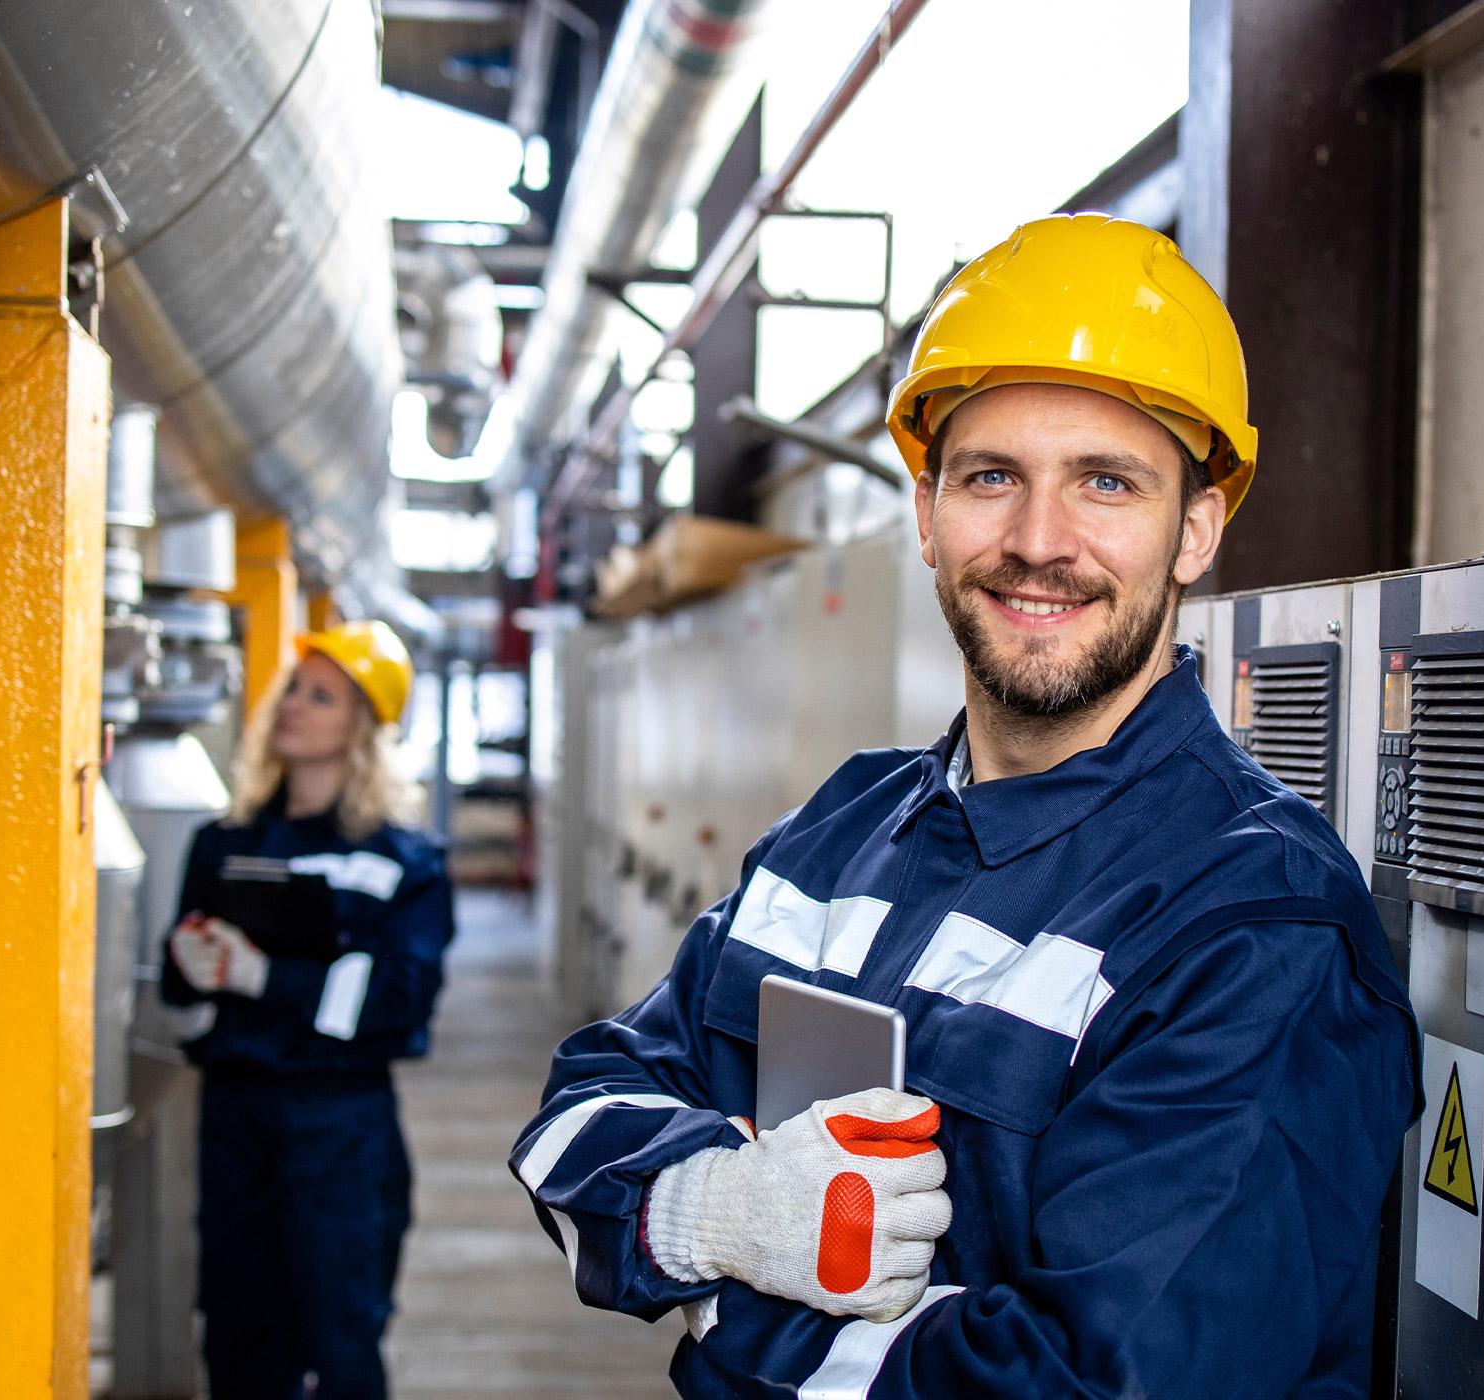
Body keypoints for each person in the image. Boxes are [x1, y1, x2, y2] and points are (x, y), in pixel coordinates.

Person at [510, 213, 1419, 1396]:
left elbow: (1095, 1380)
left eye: (1106, 482)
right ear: (928, 514)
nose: (1040, 542)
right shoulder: (839, 833)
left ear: (1194, 528)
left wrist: (725, 1323)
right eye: (993, 477)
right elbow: (572, 1118)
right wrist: (716, 1213)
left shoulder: (1253, 922)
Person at [162, 620, 454, 1400]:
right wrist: (189, 972)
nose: (292, 705)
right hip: (235, 1119)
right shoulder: (220, 845)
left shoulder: (404, 861)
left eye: (320, 696)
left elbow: (400, 1004)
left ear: (361, 727)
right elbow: (181, 1011)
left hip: (340, 1130)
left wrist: (266, 979)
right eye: (293, 686)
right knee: (237, 1337)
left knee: (341, 1335)